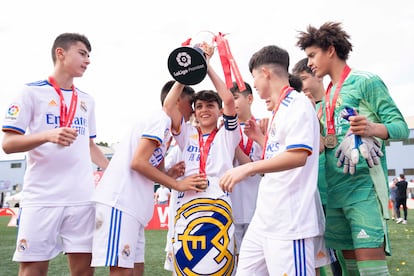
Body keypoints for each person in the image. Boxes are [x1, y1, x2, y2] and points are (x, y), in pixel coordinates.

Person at [296, 21, 409, 275]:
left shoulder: (365, 81)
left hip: (364, 191)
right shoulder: (325, 95)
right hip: (335, 193)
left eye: (313, 55)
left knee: (372, 271)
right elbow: (328, 142)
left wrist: (371, 128)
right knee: (350, 271)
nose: (310, 63)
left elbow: (399, 126)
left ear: (331, 50)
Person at [1, 33, 110, 276]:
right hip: (42, 197)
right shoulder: (30, 92)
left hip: (82, 198)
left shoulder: (86, 100)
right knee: (32, 270)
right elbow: (8, 144)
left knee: (84, 271)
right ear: (60, 53)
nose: (88, 60)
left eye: (89, 56)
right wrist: (47, 135)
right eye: (82, 53)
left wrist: (115, 172)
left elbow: (90, 146)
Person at [220, 45, 322, 275]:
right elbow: (277, 158)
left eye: (254, 77)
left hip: (289, 222)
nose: (253, 84)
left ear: (264, 72)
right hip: (265, 218)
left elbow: (297, 156)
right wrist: (258, 138)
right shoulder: (279, 109)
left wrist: (246, 169)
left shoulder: (297, 104)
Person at [90, 80, 206, 276]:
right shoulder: (159, 120)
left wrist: (168, 174)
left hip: (133, 207)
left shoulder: (167, 129)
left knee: (136, 270)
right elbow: (138, 162)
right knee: (122, 270)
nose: (192, 111)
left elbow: (150, 167)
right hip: (120, 202)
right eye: (190, 104)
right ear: (178, 101)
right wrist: (176, 184)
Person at [163, 42, 240, 275]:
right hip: (187, 208)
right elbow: (169, 106)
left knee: (220, 268)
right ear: (194, 111)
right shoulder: (187, 133)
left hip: (219, 207)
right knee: (188, 268)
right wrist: (186, 72)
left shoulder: (228, 134)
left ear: (219, 111)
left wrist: (205, 66)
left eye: (210, 106)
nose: (204, 110)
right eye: (199, 106)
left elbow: (228, 100)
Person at [292, 57, 344, 276]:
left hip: (340, 190)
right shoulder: (298, 109)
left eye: (303, 78)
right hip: (314, 193)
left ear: (318, 76)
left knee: (343, 255)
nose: (301, 85)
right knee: (318, 257)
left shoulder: (337, 102)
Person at [229, 81, 263, 267]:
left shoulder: (262, 127)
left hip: (255, 206)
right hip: (230, 207)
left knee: (253, 264)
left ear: (249, 98)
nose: (230, 102)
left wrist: (235, 146)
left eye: (234, 98)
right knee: (231, 263)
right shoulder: (222, 128)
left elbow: (255, 168)